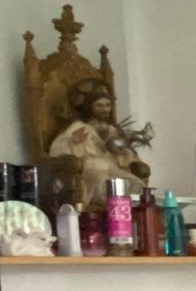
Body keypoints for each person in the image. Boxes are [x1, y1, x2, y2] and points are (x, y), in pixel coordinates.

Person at [48, 78, 151, 207]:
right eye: (99, 106)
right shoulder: (79, 127)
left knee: (135, 185)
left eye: (108, 105)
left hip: (113, 168)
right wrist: (73, 141)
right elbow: (56, 149)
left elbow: (125, 155)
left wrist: (122, 152)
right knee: (104, 182)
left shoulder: (113, 129)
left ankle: (127, 210)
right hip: (92, 170)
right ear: (90, 107)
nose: (105, 109)